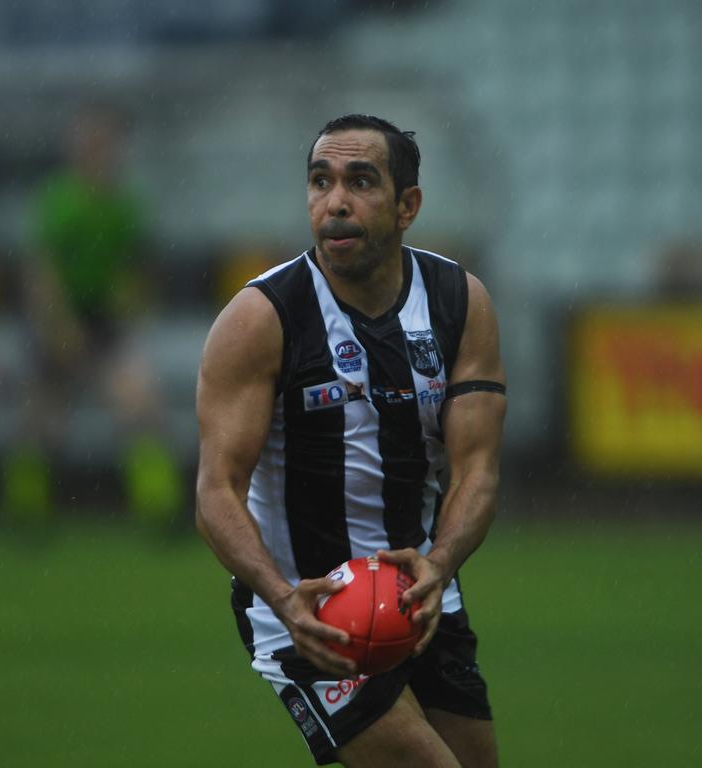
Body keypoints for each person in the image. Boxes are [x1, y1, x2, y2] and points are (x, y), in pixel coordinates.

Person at [195, 114, 506, 767]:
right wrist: (284, 601)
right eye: (320, 181)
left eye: (360, 181)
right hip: (306, 607)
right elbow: (217, 491)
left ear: (407, 206)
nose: (334, 201)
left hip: (421, 594)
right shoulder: (261, 318)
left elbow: (476, 468)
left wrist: (440, 565)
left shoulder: (458, 302)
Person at [4, 104, 182, 523]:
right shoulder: (60, 200)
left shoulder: (125, 204)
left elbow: (138, 266)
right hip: (58, 316)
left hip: (102, 318)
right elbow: (41, 272)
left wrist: (132, 296)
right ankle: (25, 509)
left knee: (139, 404)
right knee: (41, 416)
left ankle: (158, 508)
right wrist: (58, 326)